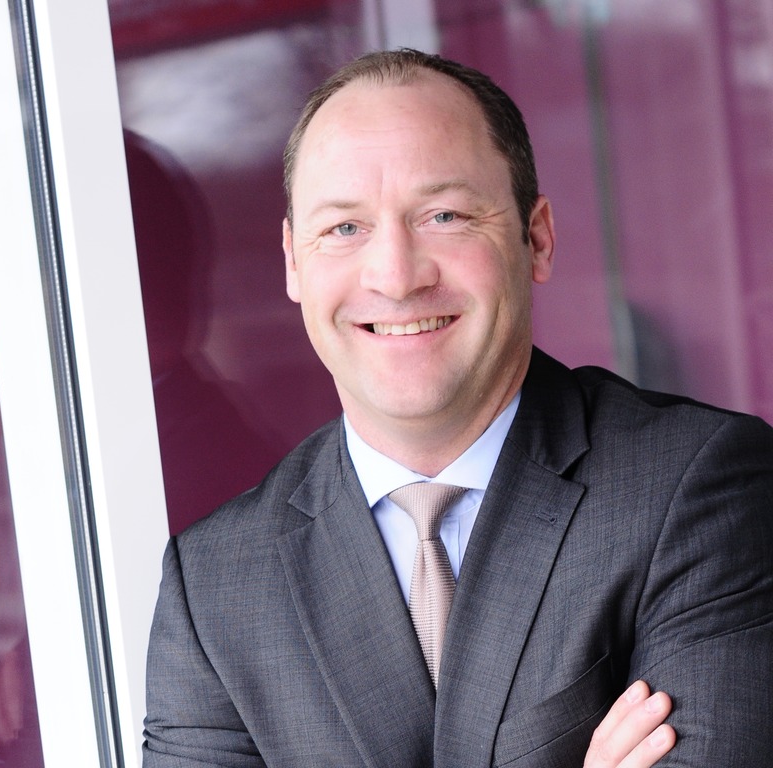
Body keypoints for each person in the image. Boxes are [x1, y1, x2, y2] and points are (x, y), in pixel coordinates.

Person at [142, 49, 773, 766]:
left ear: (537, 238)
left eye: (444, 215)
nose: (395, 276)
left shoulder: (700, 488)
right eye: (345, 228)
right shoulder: (215, 584)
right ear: (294, 262)